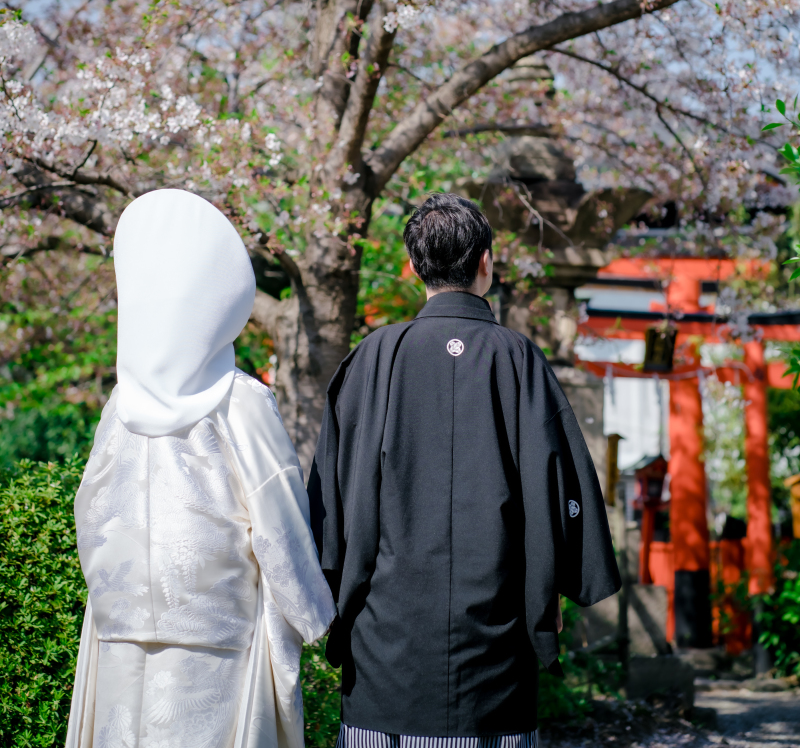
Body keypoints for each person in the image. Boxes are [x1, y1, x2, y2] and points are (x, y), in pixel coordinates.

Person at [308, 192, 620, 745]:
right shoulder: (519, 359)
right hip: (494, 651)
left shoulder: (372, 358)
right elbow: (558, 491)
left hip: (386, 651)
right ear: (485, 264)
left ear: (412, 269)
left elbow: (329, 498)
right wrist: (552, 591)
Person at [66, 188, 335, 748]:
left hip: (121, 633)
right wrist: (317, 617)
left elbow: (90, 511)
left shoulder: (121, 406)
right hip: (216, 641)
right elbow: (278, 521)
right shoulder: (240, 402)